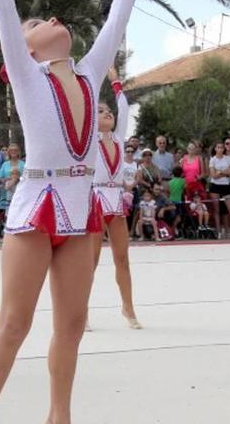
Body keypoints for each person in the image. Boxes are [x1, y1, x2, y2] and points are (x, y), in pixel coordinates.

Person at [0, 0, 147, 422]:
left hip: (80, 208)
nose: (49, 18)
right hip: (37, 204)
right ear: (23, 49)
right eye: (35, 23)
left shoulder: (91, 73)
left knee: (72, 324)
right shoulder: (28, 75)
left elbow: (118, 17)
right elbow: (3, 4)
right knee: (14, 322)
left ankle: (59, 416)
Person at [90, 68, 142, 330]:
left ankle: (128, 307)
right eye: (100, 111)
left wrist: (114, 80)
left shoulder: (120, 139)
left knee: (122, 258)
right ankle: (80, 309)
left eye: (108, 111)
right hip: (96, 197)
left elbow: (123, 105)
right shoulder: (89, 139)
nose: (107, 113)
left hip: (116, 198)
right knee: (92, 260)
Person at [209, 141, 230, 239]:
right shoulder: (212, 160)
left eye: (222, 147)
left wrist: (221, 172)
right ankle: (219, 232)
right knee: (217, 210)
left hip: (226, 185)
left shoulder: (228, 159)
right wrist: (225, 172)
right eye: (218, 147)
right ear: (215, 149)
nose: (220, 149)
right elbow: (213, 176)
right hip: (215, 186)